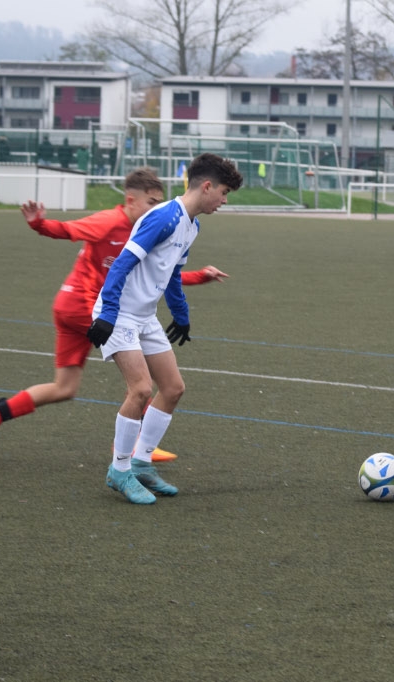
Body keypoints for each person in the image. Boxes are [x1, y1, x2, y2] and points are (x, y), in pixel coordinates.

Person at [0, 168, 229, 465]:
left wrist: (198, 277)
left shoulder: (152, 226)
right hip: (88, 307)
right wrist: (39, 224)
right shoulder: (109, 221)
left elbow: (162, 273)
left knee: (64, 388)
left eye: (159, 202)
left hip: (72, 307)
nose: (156, 208)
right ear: (130, 200)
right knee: (141, 379)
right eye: (151, 202)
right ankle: (136, 448)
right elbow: (68, 230)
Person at [87, 153, 243, 504]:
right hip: (119, 314)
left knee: (172, 388)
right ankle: (120, 470)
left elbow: (171, 274)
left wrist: (181, 314)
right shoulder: (163, 217)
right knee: (140, 389)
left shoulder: (192, 225)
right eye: (224, 192)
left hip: (144, 316)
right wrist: (108, 313)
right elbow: (122, 264)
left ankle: (141, 464)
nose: (224, 200)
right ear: (206, 186)